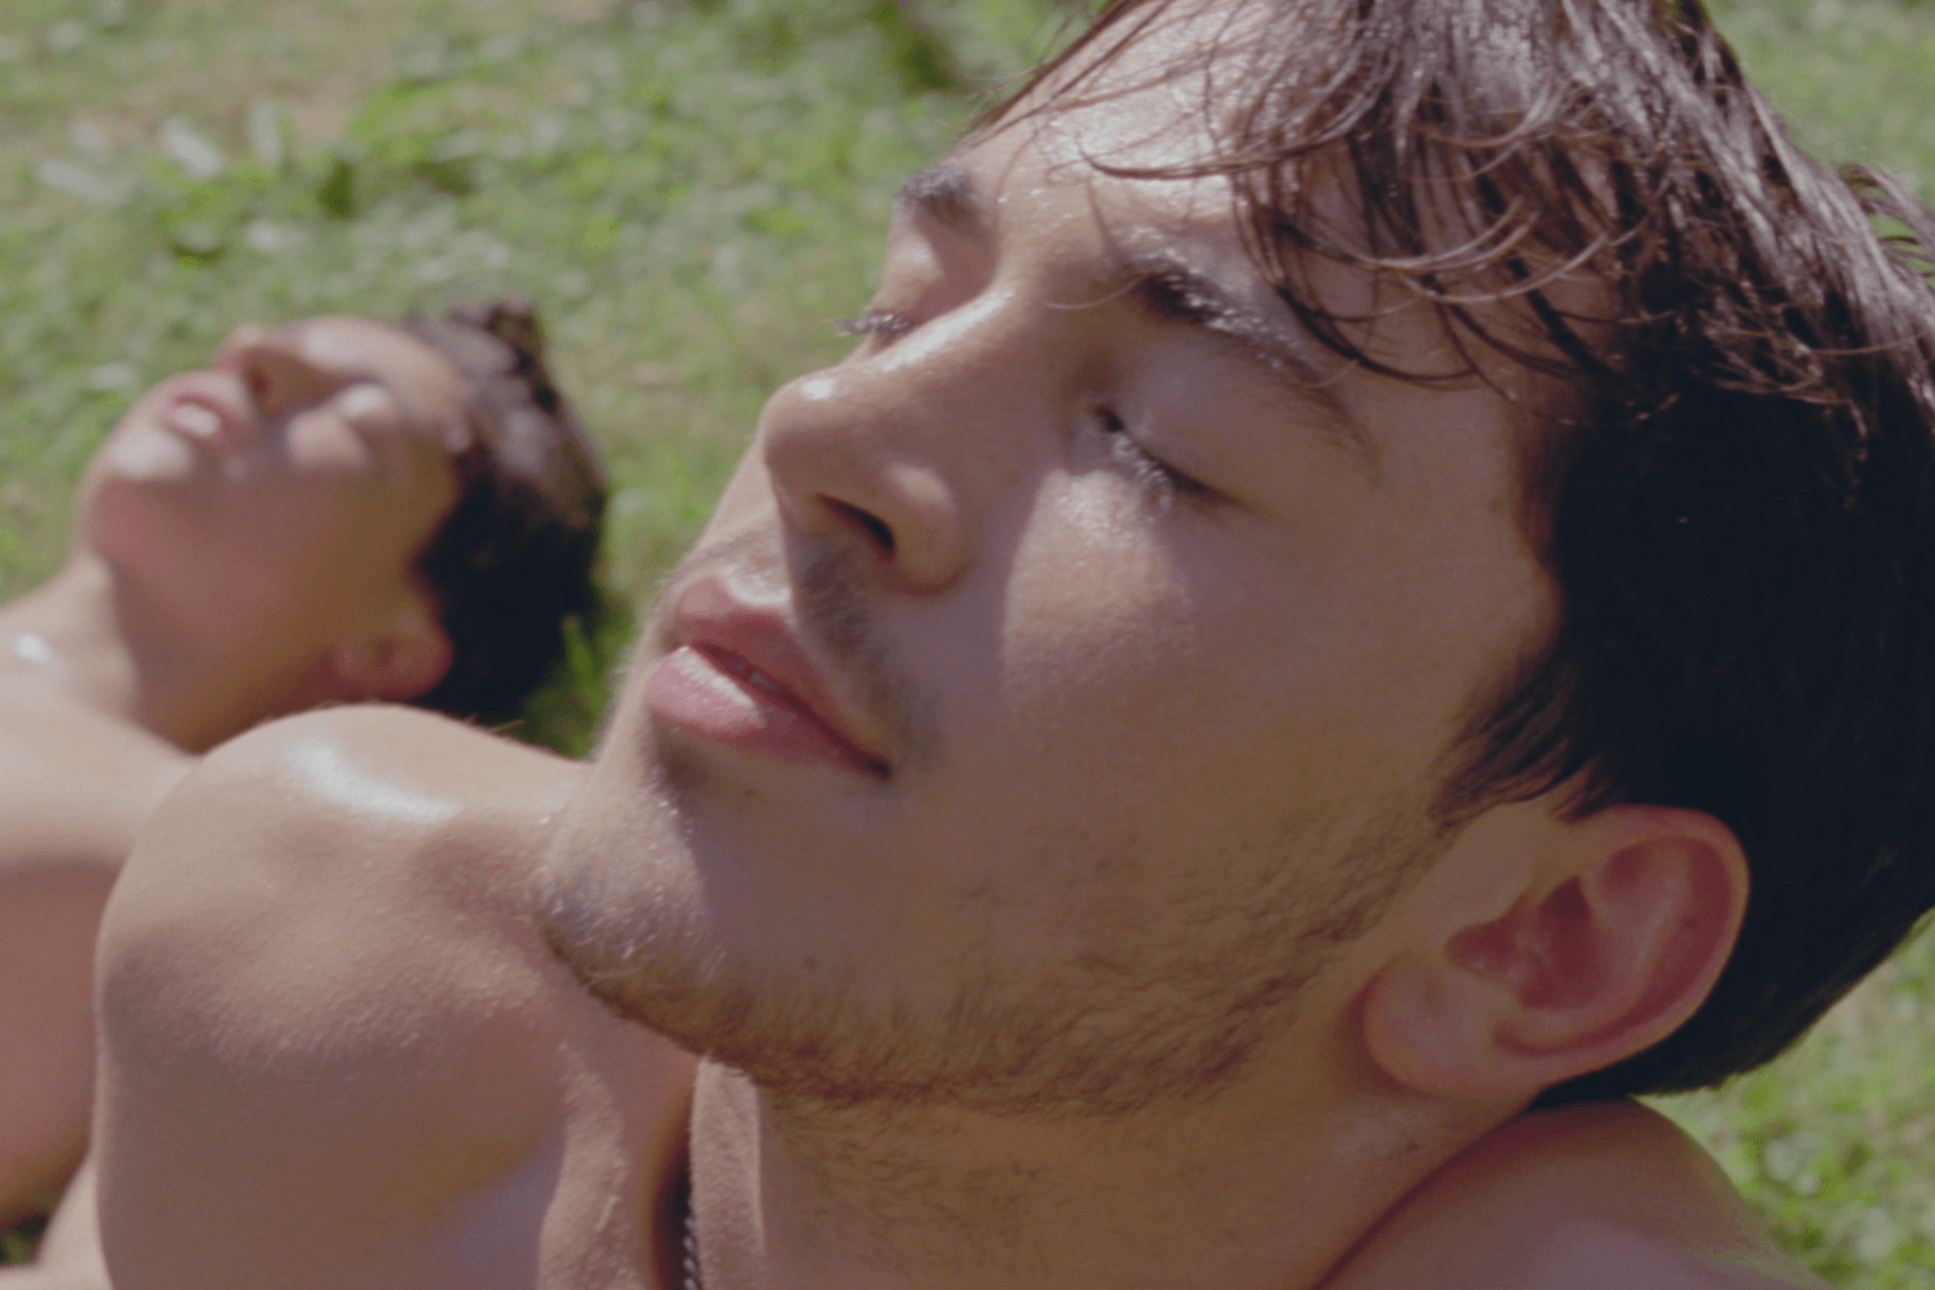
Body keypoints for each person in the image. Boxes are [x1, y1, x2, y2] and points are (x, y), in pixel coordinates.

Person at [42, 0, 1935, 1286]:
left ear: (1543, 938)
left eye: (1156, 445)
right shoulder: (307, 975)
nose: (816, 431)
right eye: (893, 312)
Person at [0, 299, 605, 1236]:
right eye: (243, 340)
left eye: (360, 425)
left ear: (391, 647)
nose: (254, 349)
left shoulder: (230, 877)